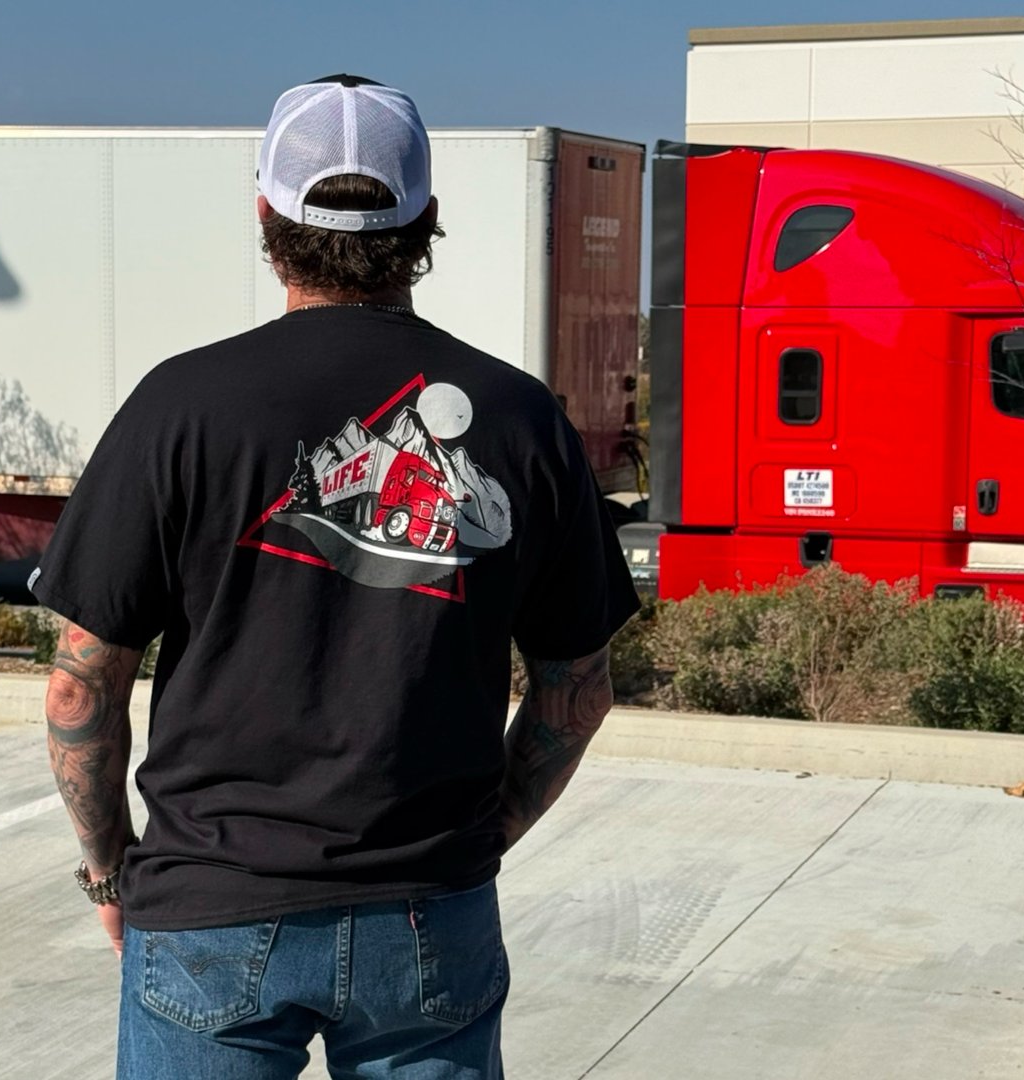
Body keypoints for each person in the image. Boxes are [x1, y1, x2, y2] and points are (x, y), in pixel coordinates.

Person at [34, 74, 639, 1080]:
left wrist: (108, 871)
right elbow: (579, 690)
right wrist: (482, 836)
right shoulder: (523, 419)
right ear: (427, 221)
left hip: (209, 908)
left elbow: (78, 683)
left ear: (266, 214)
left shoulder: (180, 407)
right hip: (427, 913)